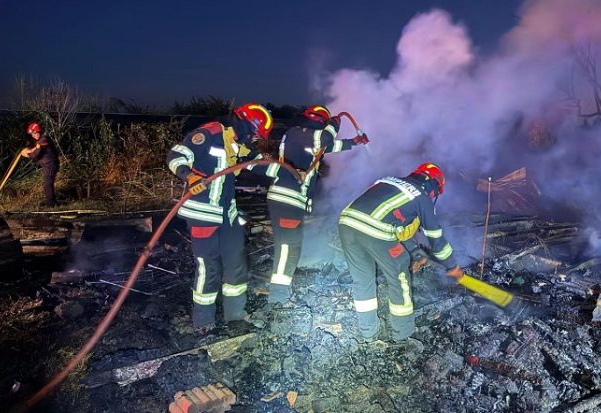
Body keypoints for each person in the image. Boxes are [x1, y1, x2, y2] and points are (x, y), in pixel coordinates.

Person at [166, 103, 274, 334]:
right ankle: (204, 322)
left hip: (228, 215)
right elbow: (176, 155)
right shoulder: (210, 133)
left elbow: (261, 165)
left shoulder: (238, 147)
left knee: (236, 263)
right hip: (203, 214)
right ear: (246, 126)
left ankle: (235, 316)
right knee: (209, 268)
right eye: (255, 135)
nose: (255, 140)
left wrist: (290, 172)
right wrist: (189, 176)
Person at [253, 105, 368, 304]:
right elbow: (326, 140)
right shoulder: (300, 133)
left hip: (291, 201)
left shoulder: (304, 138)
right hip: (287, 200)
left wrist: (354, 142)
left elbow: (329, 146)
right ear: (320, 122)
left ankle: (280, 294)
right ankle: (278, 298)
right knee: (288, 248)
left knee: (291, 247)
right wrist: (334, 124)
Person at [338, 162, 455, 342]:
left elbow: (395, 225)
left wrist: (415, 251)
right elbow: (435, 238)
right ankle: (403, 334)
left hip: (347, 223)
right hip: (376, 230)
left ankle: (368, 333)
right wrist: (452, 266)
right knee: (400, 277)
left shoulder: (389, 181)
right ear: (433, 187)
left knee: (362, 279)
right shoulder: (421, 196)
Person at [21, 122, 59, 208]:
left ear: (39, 131)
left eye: (34, 133)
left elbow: (36, 154)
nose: (33, 136)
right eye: (32, 134)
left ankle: (50, 205)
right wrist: (29, 150)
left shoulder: (43, 139)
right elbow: (36, 148)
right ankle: (52, 202)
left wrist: (27, 153)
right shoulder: (42, 139)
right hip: (48, 165)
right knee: (48, 184)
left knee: (47, 185)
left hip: (50, 165)